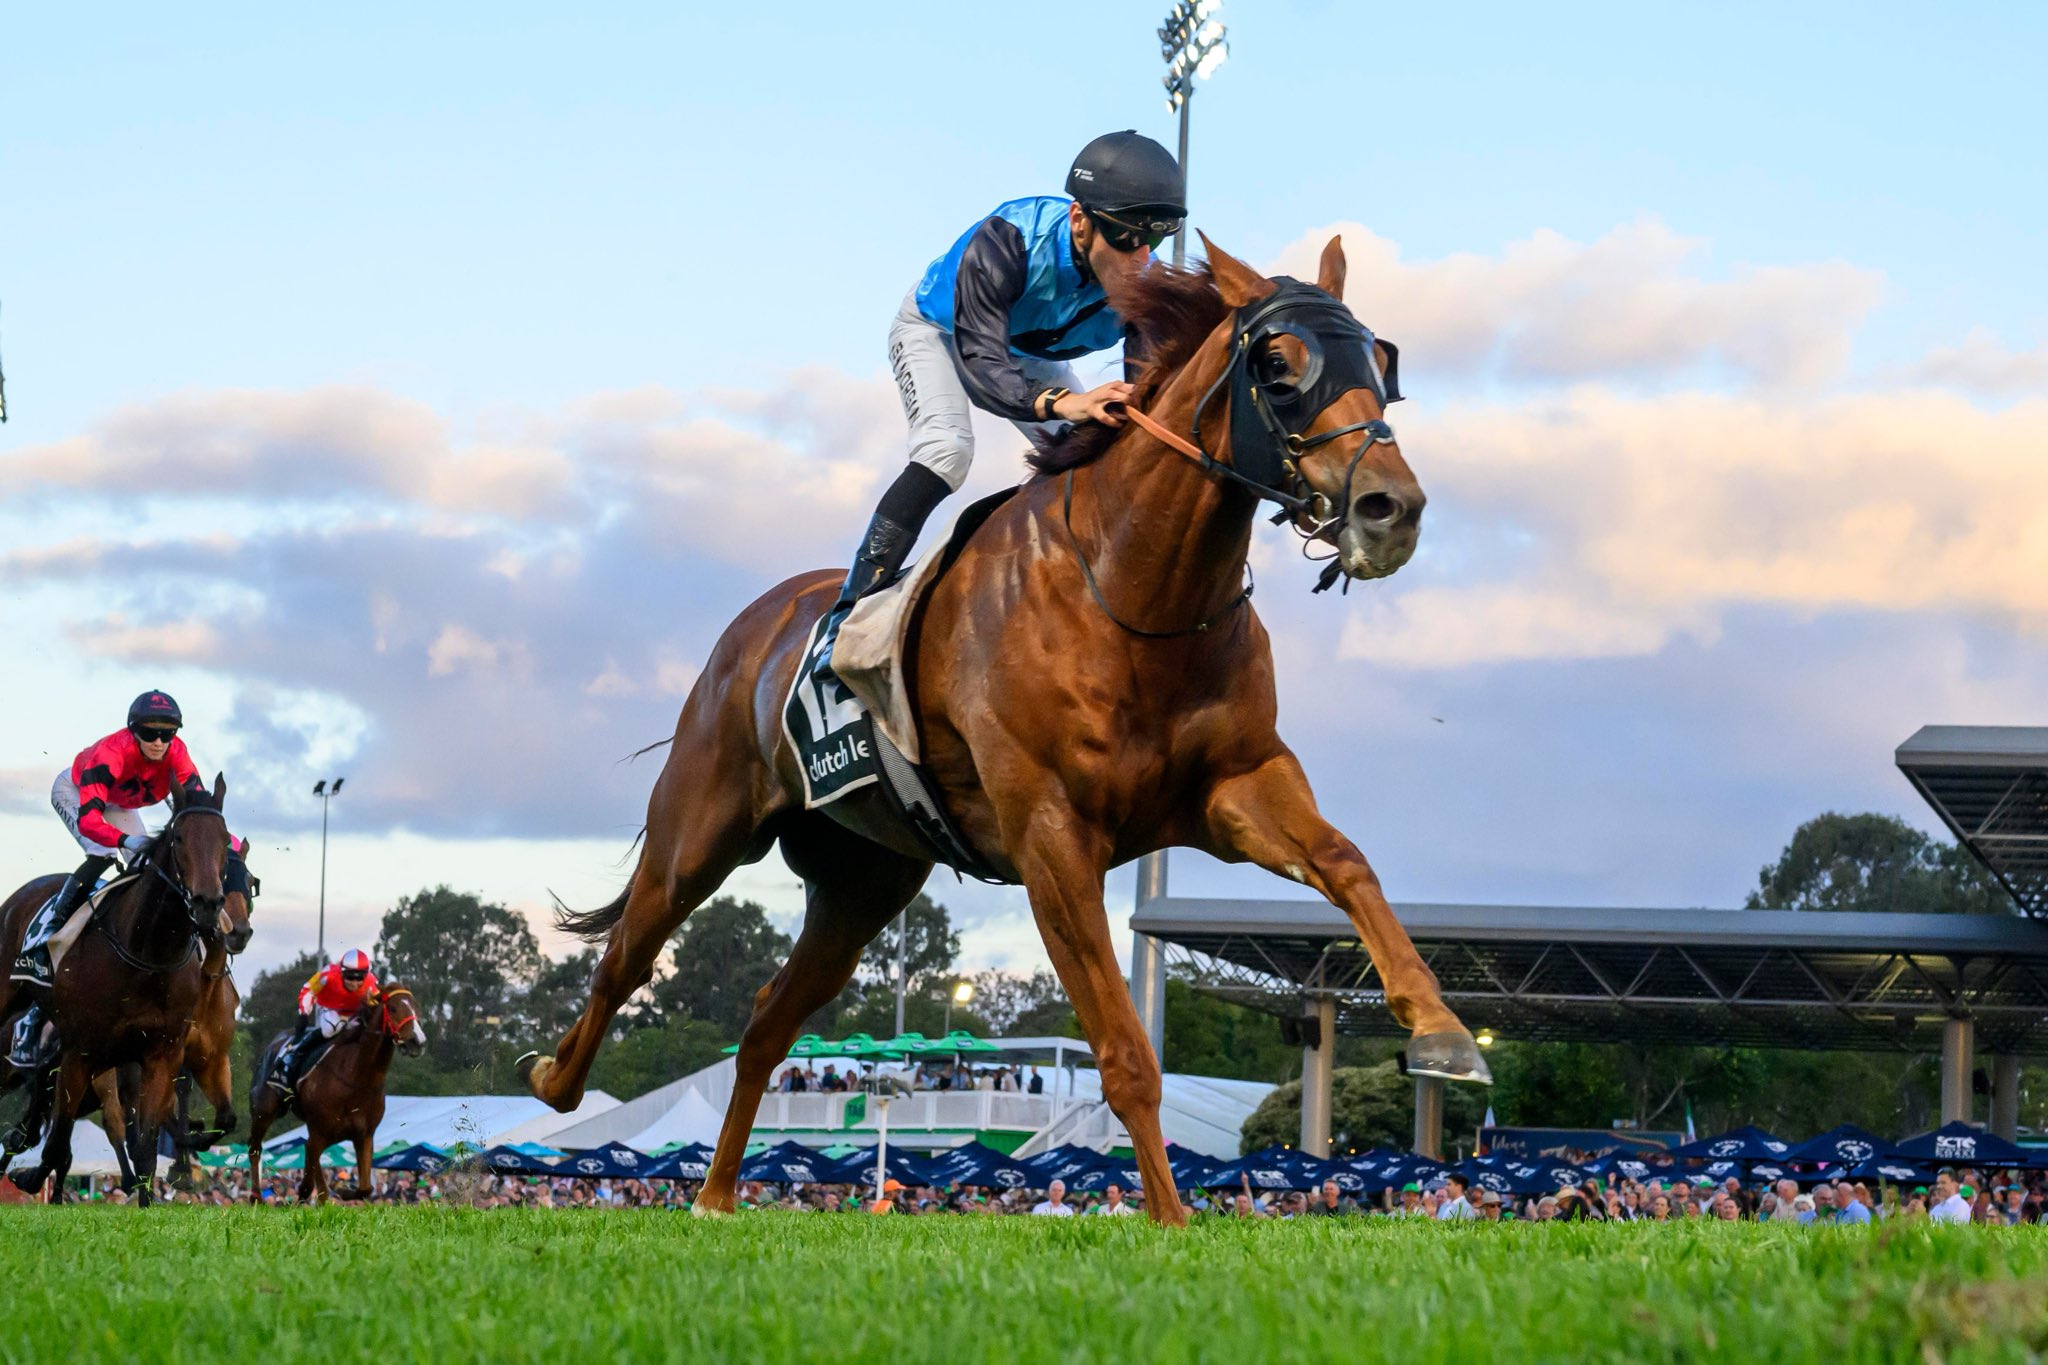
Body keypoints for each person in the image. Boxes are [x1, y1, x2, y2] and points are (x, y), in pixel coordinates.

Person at [811, 132, 1184, 680]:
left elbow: (1144, 394)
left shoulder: (1138, 282)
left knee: (1098, 455)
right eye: (1128, 237)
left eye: (1156, 237)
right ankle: (846, 616)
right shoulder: (1009, 238)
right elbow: (982, 364)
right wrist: (1064, 401)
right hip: (942, 330)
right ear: (1080, 221)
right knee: (946, 450)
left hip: (1025, 351)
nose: (1140, 258)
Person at [10, 691, 211, 1067]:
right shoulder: (112, 753)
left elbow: (199, 810)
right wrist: (123, 839)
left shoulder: (177, 754)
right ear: (133, 730)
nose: (158, 742)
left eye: (166, 734)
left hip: (120, 806)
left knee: (147, 867)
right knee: (103, 852)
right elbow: (90, 821)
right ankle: (49, 931)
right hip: (78, 794)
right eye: (149, 733)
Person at [270, 949, 380, 1092]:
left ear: (366, 975)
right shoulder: (328, 975)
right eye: (350, 977)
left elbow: (377, 1006)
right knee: (331, 1029)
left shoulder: (372, 983)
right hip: (330, 1008)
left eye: (359, 978)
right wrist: (304, 1013)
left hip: (355, 1013)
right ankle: (294, 1054)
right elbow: (308, 990)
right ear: (341, 972)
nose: (354, 982)